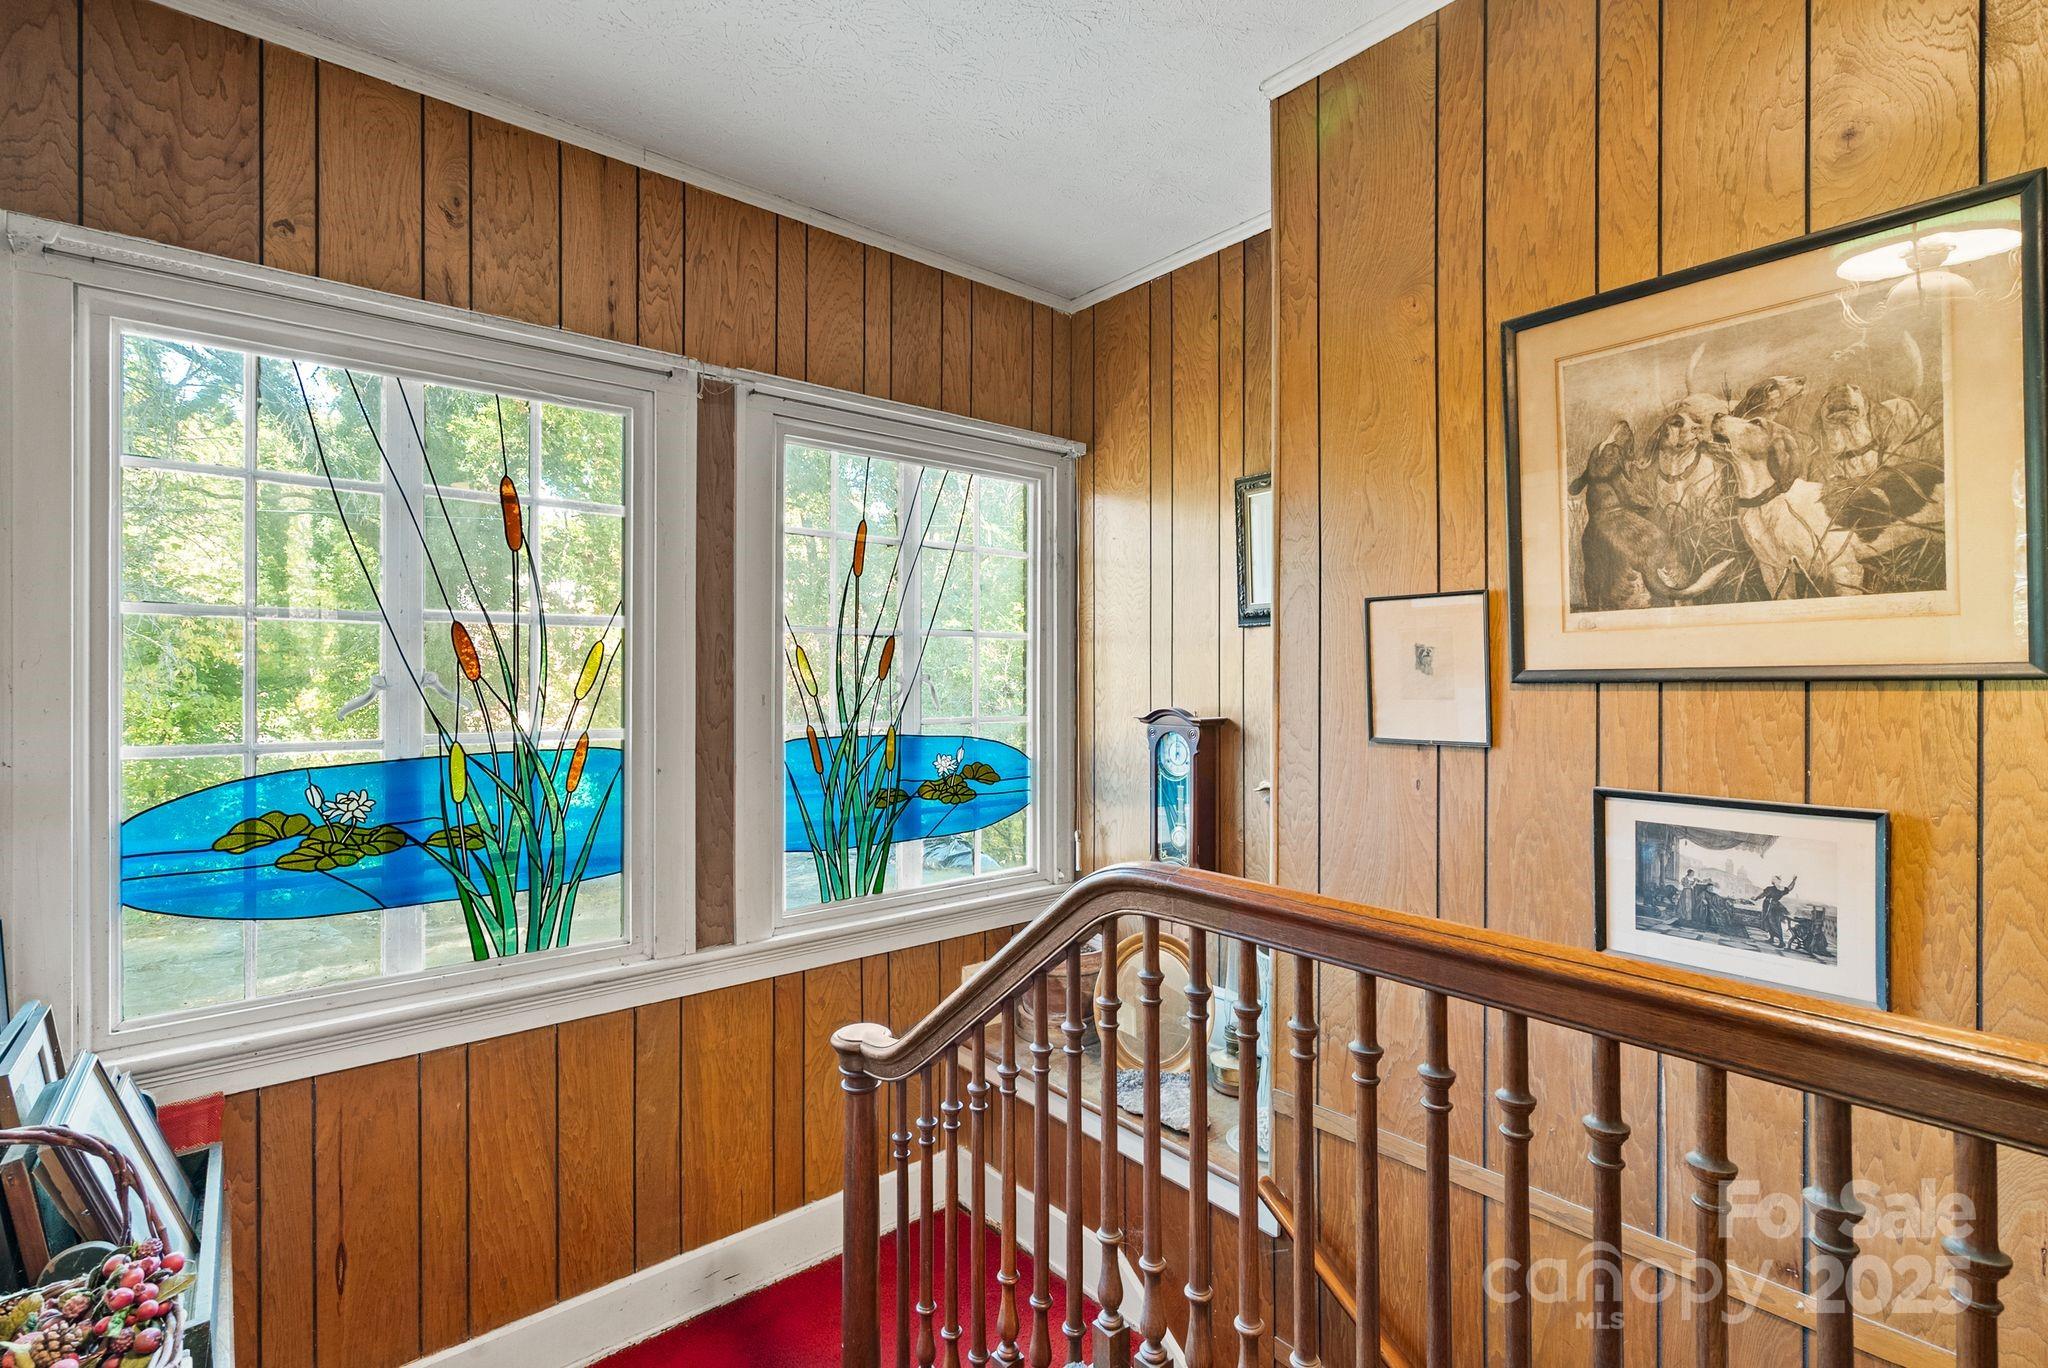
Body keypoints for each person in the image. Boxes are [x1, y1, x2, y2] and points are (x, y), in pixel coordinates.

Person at [1756, 875, 1798, 947]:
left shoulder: (1781, 889)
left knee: (1775, 923)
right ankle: (1771, 938)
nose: (1773, 880)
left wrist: (1794, 881)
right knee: (1768, 922)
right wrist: (1756, 898)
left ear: (1779, 881)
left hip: (1773, 907)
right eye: (1773, 879)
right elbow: (1763, 894)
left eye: (1775, 879)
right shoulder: (1770, 888)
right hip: (1768, 906)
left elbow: (1790, 888)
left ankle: (1781, 942)